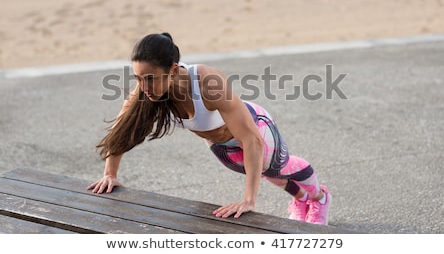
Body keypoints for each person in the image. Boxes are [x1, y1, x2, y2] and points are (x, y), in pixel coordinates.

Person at [87, 32, 331, 225]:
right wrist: (110, 174)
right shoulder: (146, 91)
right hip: (221, 145)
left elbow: (251, 139)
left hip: (255, 128)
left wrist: (248, 201)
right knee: (265, 172)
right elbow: (122, 131)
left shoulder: (207, 81)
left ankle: (320, 198)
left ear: (173, 70)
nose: (144, 86)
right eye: (138, 78)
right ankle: (301, 199)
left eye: (150, 78)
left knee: (275, 166)